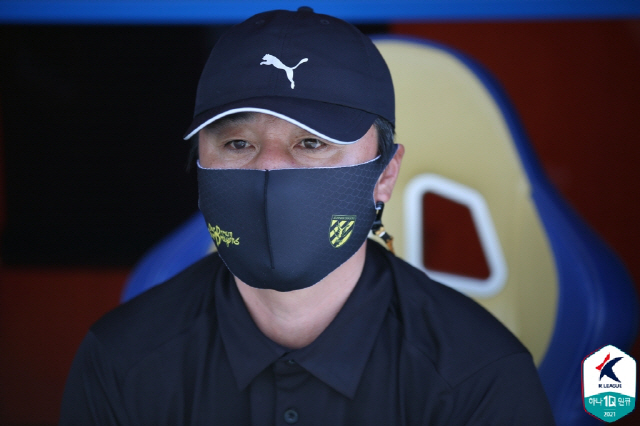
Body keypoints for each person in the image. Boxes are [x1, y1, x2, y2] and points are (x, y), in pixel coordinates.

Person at [60, 7, 556, 425]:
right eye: (238, 143)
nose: (271, 168)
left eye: (312, 143)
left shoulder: (479, 374)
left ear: (385, 174)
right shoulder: (121, 361)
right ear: (199, 163)